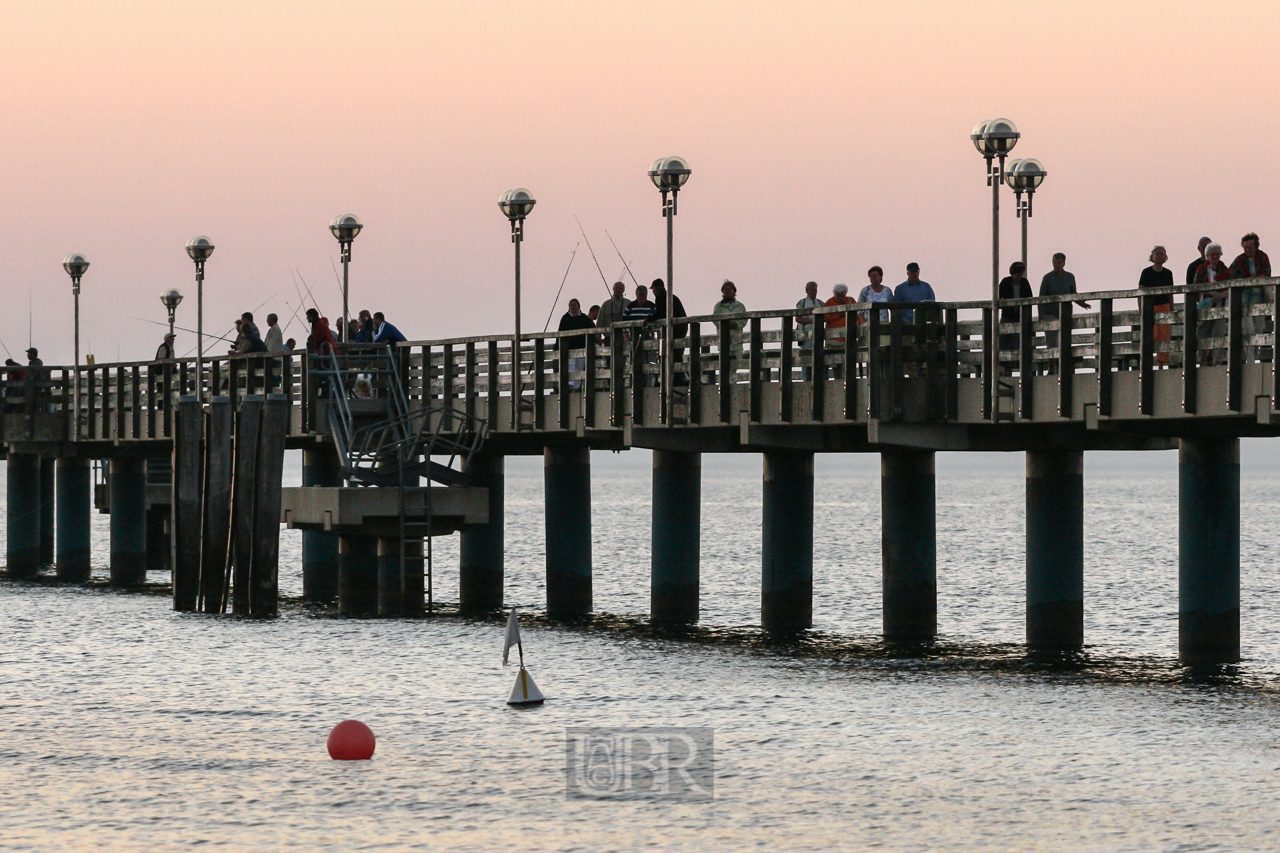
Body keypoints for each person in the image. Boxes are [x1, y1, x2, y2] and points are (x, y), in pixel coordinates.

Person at [1229, 233, 1272, 360]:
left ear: (1256, 246)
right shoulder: (1239, 260)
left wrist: (1262, 278)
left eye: (1250, 247)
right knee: (1248, 331)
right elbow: (1231, 275)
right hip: (1245, 300)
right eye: (1246, 247)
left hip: (1260, 299)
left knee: (1259, 330)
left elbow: (1267, 273)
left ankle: (1256, 356)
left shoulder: (1263, 257)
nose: (1248, 250)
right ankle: (1250, 359)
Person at [1038, 253, 1090, 355]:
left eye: (1059, 262)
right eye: (1054, 262)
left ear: (1064, 263)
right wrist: (1041, 316)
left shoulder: (1069, 277)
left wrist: (1081, 303)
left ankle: (1063, 365)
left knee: (1064, 339)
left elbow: (1072, 293)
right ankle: (1051, 368)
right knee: (1051, 342)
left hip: (1065, 313)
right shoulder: (1047, 278)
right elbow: (1041, 298)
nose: (1056, 264)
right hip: (1050, 313)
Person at [1193, 242, 1231, 366]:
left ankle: (1218, 361)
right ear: (1207, 255)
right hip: (1206, 306)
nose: (1215, 257)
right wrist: (1211, 293)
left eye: (1217, 254)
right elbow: (1196, 286)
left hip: (1221, 306)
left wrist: (1221, 295)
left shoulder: (1225, 269)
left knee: (1219, 333)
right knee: (1203, 332)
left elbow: (1231, 285)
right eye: (1212, 254)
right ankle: (1203, 360)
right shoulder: (1201, 269)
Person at [1138, 246, 1175, 365]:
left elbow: (1170, 292)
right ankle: (1147, 362)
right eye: (1158, 254)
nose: (1160, 256)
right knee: (1151, 335)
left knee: (1164, 336)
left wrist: (1171, 308)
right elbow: (1140, 292)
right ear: (1152, 257)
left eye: (1162, 254)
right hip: (1150, 307)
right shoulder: (1146, 272)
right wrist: (1141, 309)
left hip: (1164, 306)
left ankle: (1161, 364)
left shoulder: (1168, 273)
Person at [649, 278, 688, 385]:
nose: (653, 292)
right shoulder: (670, 296)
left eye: (653, 289)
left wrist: (648, 320)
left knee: (673, 350)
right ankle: (679, 374)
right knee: (676, 350)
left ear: (656, 289)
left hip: (676, 327)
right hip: (681, 326)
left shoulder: (660, 297)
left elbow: (660, 314)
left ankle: (679, 375)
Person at [998, 262, 1032, 366]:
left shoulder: (1024, 282)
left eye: (1021, 274)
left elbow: (1030, 298)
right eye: (1017, 274)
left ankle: (1017, 365)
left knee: (1018, 341)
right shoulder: (1005, 282)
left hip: (1020, 316)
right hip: (1007, 316)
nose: (1019, 276)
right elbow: (998, 296)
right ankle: (1005, 367)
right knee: (1004, 341)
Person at [557, 298, 595, 390]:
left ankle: (577, 387)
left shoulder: (584, 318)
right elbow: (560, 333)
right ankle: (569, 387)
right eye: (571, 305)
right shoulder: (565, 318)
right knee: (570, 367)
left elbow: (593, 329)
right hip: (569, 348)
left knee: (579, 367)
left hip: (581, 347)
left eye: (575, 305)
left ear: (579, 306)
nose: (573, 307)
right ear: (569, 307)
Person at [623, 285, 658, 385]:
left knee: (649, 360)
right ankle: (637, 382)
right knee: (635, 359)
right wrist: (627, 338)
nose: (641, 297)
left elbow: (657, 322)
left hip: (648, 336)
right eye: (639, 294)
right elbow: (623, 323)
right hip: (634, 337)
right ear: (636, 294)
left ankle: (649, 382)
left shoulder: (652, 306)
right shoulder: (630, 306)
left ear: (646, 295)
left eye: (643, 295)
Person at [823, 283, 856, 379]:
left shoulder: (851, 301)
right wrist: (839, 315)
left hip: (847, 338)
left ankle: (848, 381)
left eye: (843, 295)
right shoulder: (829, 302)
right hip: (833, 339)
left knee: (848, 361)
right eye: (838, 296)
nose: (841, 298)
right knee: (834, 363)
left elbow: (856, 314)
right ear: (834, 294)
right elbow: (825, 317)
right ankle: (837, 380)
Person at [795, 281, 823, 380]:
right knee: (806, 357)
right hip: (805, 335)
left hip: (818, 334)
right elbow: (797, 318)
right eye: (812, 290)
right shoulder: (802, 303)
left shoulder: (820, 303)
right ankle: (805, 380)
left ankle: (817, 379)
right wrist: (809, 321)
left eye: (815, 290)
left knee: (818, 357)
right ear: (807, 291)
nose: (814, 292)